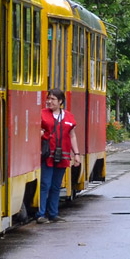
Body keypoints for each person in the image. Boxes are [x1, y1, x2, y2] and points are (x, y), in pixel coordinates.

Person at [38, 89, 77, 223]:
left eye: (53, 99)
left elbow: (72, 136)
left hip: (63, 156)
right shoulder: (41, 114)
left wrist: (76, 154)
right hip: (47, 155)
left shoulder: (69, 117)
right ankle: (41, 214)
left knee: (56, 185)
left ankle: (53, 213)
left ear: (60, 101)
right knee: (45, 184)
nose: (49, 101)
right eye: (48, 98)